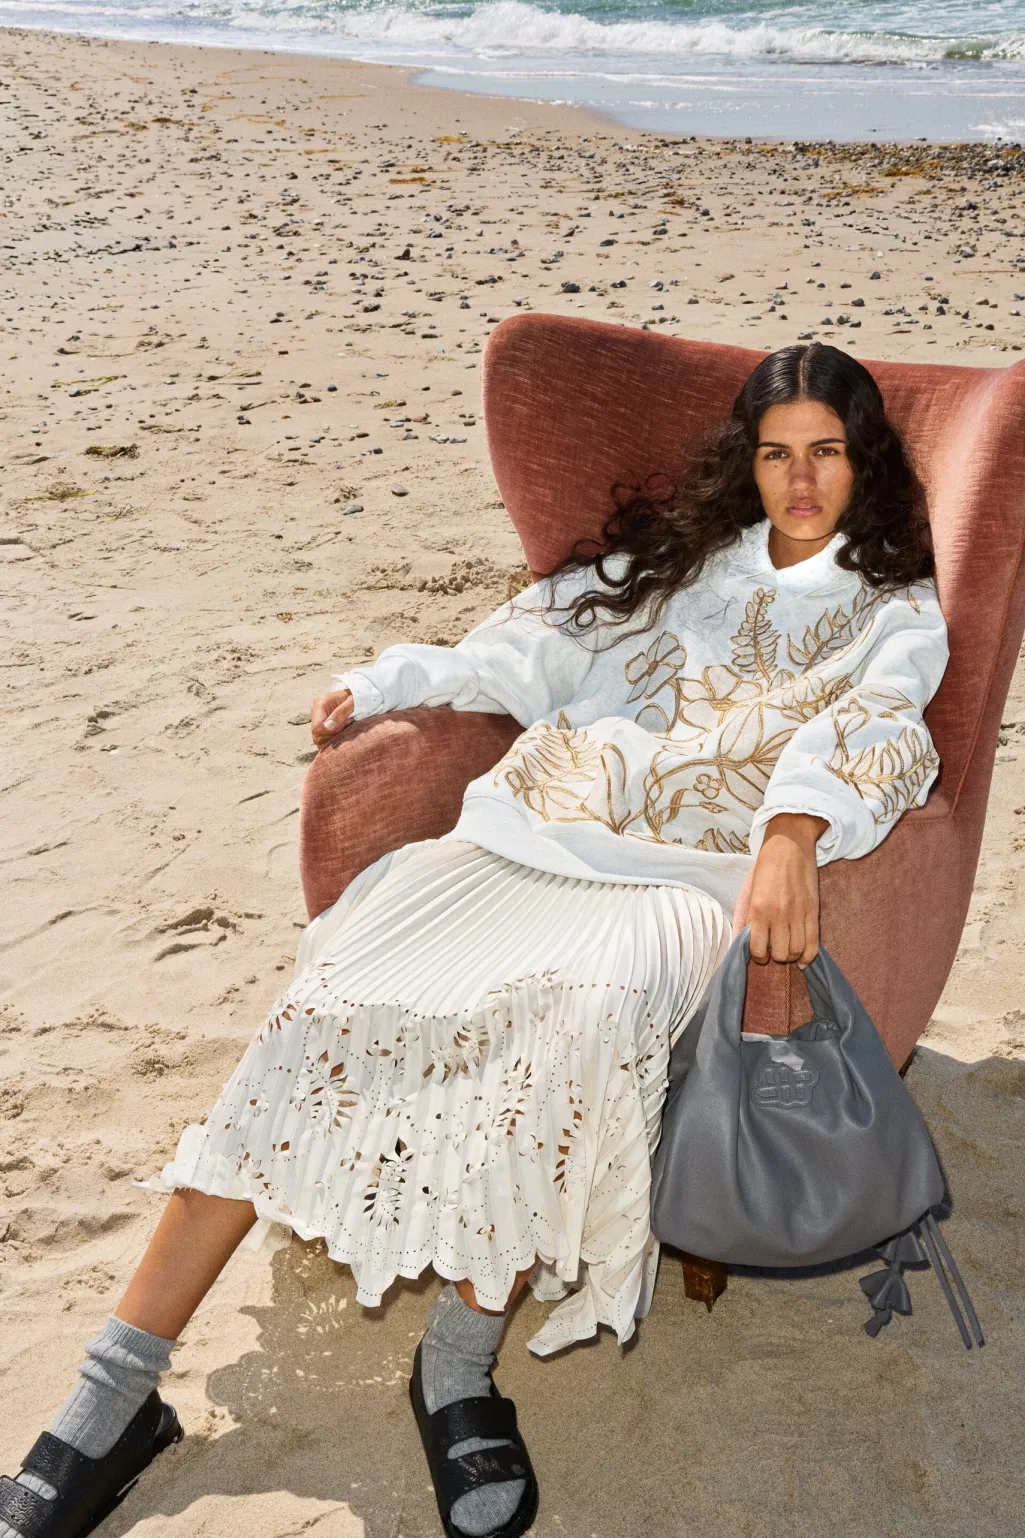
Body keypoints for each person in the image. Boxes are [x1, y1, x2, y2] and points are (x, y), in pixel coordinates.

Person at [0, 342, 947, 1538]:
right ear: (745, 462)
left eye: (825, 452)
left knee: (570, 1042)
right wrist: (390, 678)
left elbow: (883, 729)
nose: (799, 481)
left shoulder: (890, 611)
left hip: (669, 886)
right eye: (775, 453)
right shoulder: (675, 565)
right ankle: (116, 1392)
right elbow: (522, 647)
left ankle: (453, 1365)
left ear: (863, 461)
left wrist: (793, 827)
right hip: (521, 831)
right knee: (312, 1018)